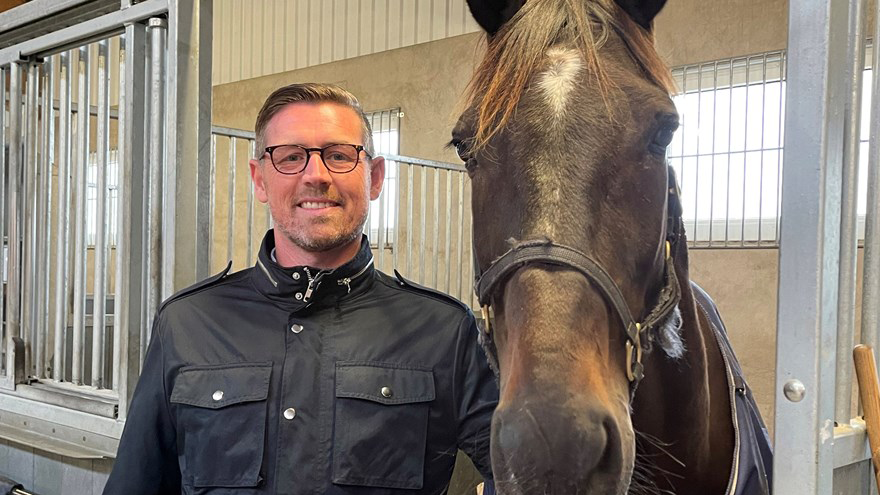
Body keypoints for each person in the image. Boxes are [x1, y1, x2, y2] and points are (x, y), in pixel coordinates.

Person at [104, 83, 497, 494]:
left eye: (339, 156)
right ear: (259, 180)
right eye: (291, 157)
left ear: (375, 178)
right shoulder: (186, 324)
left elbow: (533, 466)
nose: (316, 175)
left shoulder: (444, 332)